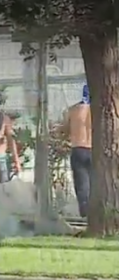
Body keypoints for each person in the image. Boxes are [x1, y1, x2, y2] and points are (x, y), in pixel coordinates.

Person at [61, 84, 91, 218]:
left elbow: (65, 130)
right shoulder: (101, 109)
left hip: (78, 147)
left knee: (81, 183)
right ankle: (99, 211)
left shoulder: (73, 110)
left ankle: (85, 211)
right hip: (95, 149)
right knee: (97, 182)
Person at [0, 92, 22, 182]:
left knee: (2, 188)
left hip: (0, 159)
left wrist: (16, 161)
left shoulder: (4, 120)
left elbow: (11, 141)